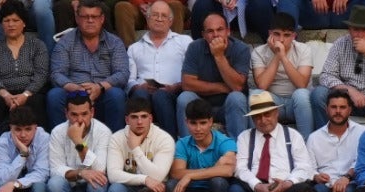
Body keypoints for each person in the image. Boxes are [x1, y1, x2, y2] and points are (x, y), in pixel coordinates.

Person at [49, 0, 129, 131]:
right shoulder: (65, 41)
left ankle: (115, 144)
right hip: (73, 94)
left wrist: (100, 87)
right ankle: (60, 142)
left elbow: (122, 73)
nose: (90, 20)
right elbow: (56, 73)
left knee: (116, 95)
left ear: (102, 19)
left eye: (94, 17)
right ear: (77, 18)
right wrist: (74, 87)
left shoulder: (114, 42)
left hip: (104, 93)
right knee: (54, 95)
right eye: (85, 17)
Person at [234, 89, 310, 192]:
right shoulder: (245, 137)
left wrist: (286, 184)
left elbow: (304, 167)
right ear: (252, 119)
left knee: (305, 190)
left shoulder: (293, 136)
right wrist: (257, 186)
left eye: (267, 114)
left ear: (277, 113)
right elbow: (240, 168)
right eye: (258, 116)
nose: (263, 120)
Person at [176, 12, 248, 137]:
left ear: (228, 31)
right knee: (184, 98)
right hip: (201, 104)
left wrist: (219, 56)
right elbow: (187, 84)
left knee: (237, 97)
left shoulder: (241, 49)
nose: (215, 35)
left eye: (220, 30)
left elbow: (237, 87)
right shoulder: (194, 47)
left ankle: (238, 151)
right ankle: (188, 149)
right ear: (204, 35)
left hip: (227, 105)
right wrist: (222, 87)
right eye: (210, 31)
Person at [0, 1, 50, 134]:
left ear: (24, 23)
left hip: (30, 92)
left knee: (37, 101)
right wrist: (6, 95)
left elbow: (41, 74)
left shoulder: (37, 45)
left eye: (15, 20)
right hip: (4, 94)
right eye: (6, 20)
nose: (11, 24)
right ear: (1, 24)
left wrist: (26, 94)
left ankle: (39, 143)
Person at [124, 0, 186, 137]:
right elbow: (129, 79)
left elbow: (192, 72)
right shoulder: (134, 48)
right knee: (139, 95)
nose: (159, 18)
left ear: (170, 21)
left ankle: (170, 142)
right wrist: (138, 87)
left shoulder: (184, 42)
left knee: (161, 95)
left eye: (164, 16)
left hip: (174, 94)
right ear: (147, 18)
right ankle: (137, 143)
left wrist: (176, 86)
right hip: (144, 95)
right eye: (155, 15)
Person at [105, 92, 173, 192]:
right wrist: (145, 179)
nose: (140, 121)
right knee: (115, 190)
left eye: (144, 116)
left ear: (151, 118)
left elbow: (158, 177)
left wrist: (135, 149)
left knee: (156, 189)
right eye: (134, 117)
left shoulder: (164, 138)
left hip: (155, 189)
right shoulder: (117, 138)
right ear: (127, 120)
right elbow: (113, 175)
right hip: (129, 187)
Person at [249, 12, 314, 140]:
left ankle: (306, 143)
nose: (281, 40)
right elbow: (262, 85)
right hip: (273, 103)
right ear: (270, 34)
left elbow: (302, 84)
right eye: (277, 34)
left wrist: (283, 56)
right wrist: (277, 56)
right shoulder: (259, 52)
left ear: (294, 36)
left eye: (287, 35)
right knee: (256, 94)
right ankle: (257, 142)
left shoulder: (304, 49)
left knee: (301, 94)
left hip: (296, 103)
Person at [168, 95, 233, 192]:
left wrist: (189, 175)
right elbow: (176, 172)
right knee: (171, 185)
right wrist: (213, 170)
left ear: (210, 122)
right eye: (193, 123)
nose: (198, 129)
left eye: (203, 123)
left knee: (218, 182)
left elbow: (228, 170)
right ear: (186, 122)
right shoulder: (182, 143)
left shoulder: (225, 142)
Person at [305, 91, 361, 192]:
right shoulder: (314, 138)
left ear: (350, 110)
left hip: (351, 182)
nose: (338, 111)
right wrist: (316, 176)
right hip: (325, 184)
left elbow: (362, 161)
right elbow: (308, 167)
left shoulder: (362, 133)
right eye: (333, 107)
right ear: (326, 110)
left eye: (342, 107)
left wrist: (346, 177)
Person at [0, 105, 50, 192]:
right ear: (11, 128)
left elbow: (42, 173)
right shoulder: (3, 142)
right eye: (18, 129)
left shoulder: (44, 138)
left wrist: (16, 184)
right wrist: (23, 154)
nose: (23, 135)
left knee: (40, 188)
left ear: (35, 128)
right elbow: (2, 178)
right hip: (9, 187)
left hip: (29, 185)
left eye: (28, 129)